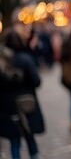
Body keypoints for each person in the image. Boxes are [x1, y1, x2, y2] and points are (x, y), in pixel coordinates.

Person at [0, 23, 45, 159]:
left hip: (7, 106)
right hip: (26, 104)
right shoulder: (25, 59)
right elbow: (37, 81)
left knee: (14, 140)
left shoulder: (2, 61)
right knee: (29, 136)